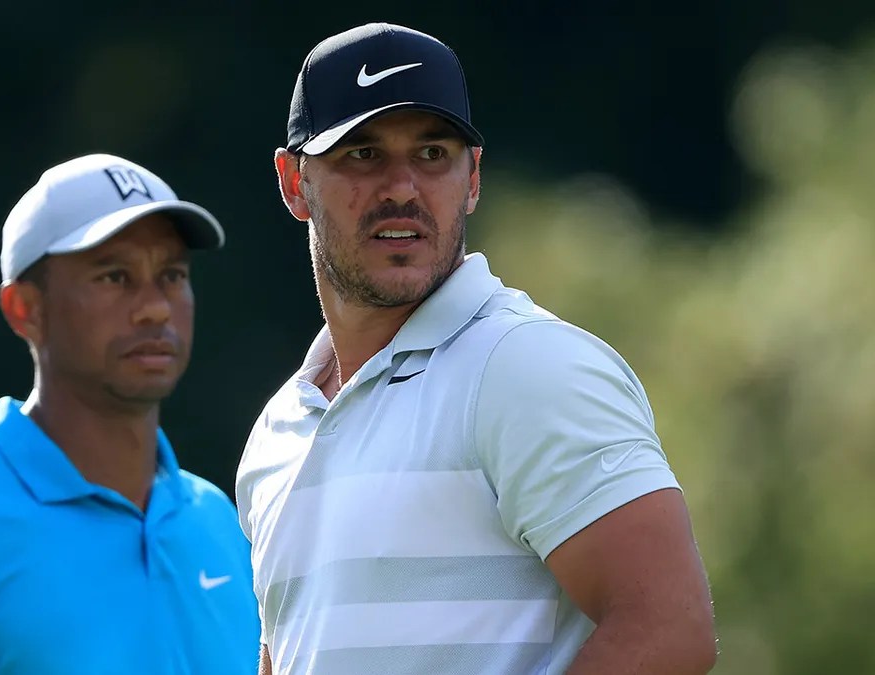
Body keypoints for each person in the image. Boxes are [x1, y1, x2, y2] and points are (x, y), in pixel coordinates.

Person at [236, 23, 717, 675]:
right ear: (294, 182)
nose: (402, 187)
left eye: (432, 154)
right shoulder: (277, 432)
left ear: (471, 178)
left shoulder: (527, 366)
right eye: (363, 154)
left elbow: (668, 628)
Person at [0, 154, 260, 674]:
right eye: (115, 276)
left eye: (171, 274)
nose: (156, 307)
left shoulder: (221, 525)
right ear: (24, 309)